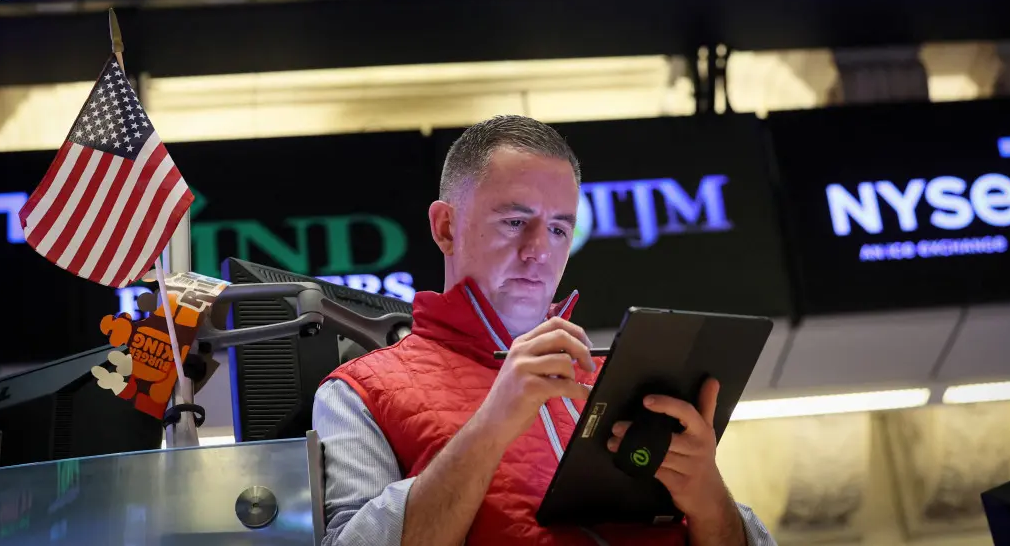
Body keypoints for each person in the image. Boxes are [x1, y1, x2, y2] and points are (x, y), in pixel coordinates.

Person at [313, 115, 776, 546]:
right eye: (515, 222)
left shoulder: (618, 376)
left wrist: (708, 498)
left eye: (558, 229)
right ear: (446, 226)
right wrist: (491, 426)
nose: (539, 250)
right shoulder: (359, 392)